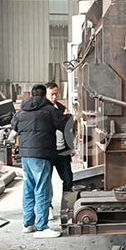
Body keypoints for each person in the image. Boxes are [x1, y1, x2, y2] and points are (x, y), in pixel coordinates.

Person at [12, 84, 72, 238]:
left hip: (26, 155)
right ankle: (42, 227)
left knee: (28, 188)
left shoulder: (22, 111)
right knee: (42, 190)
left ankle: (28, 224)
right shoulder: (50, 110)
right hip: (42, 154)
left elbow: (14, 126)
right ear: (45, 95)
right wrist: (67, 116)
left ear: (31, 95)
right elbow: (64, 126)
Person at [45, 82, 74, 220]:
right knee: (46, 181)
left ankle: (66, 207)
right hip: (48, 152)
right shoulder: (44, 110)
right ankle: (48, 207)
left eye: (56, 94)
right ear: (45, 94)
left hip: (62, 151)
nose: (54, 97)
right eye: (51, 94)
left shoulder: (62, 108)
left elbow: (68, 129)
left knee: (68, 179)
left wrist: (70, 146)